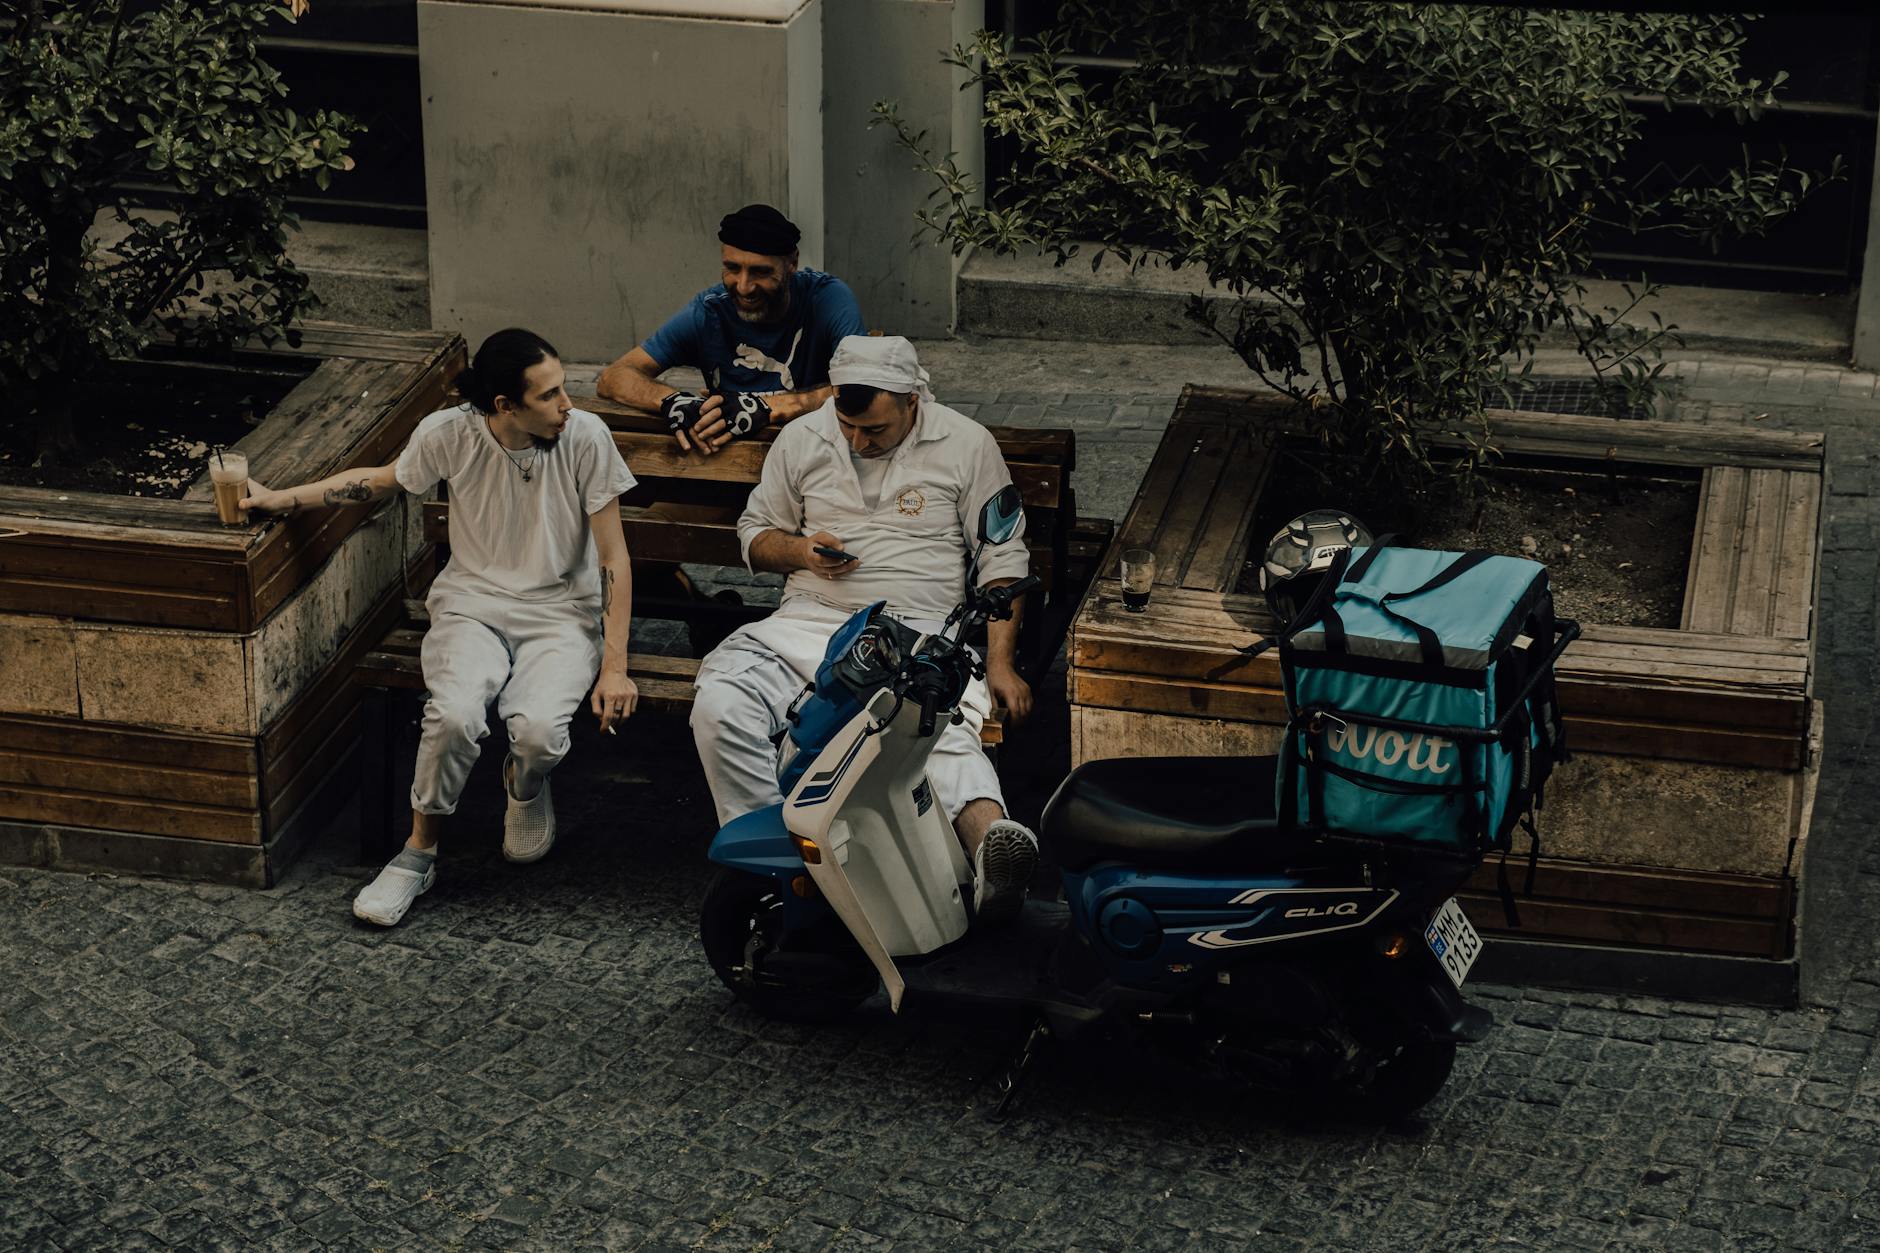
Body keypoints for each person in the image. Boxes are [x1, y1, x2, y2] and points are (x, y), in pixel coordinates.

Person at [241, 328, 640, 927]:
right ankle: (418, 853)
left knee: (536, 735)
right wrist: (283, 501)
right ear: (505, 406)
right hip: (472, 606)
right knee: (453, 715)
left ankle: (524, 787)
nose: (567, 405)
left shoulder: (585, 437)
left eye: (564, 389)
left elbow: (613, 556)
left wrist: (615, 666)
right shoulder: (449, 433)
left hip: (561, 614)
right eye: (550, 395)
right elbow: (379, 480)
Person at [689, 335, 1041, 923]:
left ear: (911, 400)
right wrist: (801, 551)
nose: (858, 440)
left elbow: (1004, 561)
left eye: (873, 429)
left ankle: (990, 851)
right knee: (722, 702)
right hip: (807, 622)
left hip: (920, 633)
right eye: (848, 425)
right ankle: (781, 866)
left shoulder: (967, 443)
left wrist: (1001, 662)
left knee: (937, 732)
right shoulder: (803, 437)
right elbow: (755, 534)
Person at [595, 203, 865, 456]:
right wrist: (672, 401)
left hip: (811, 461)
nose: (744, 286)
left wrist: (770, 408)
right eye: (732, 268)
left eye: (760, 272)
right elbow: (614, 377)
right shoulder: (709, 311)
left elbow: (862, 385)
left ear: (791, 263)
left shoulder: (827, 299)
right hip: (726, 462)